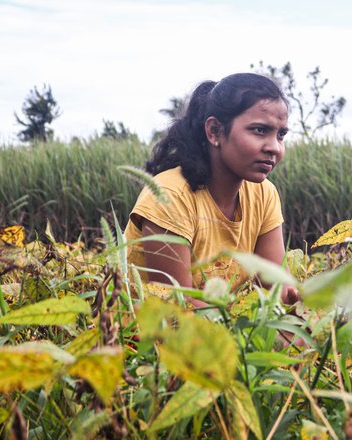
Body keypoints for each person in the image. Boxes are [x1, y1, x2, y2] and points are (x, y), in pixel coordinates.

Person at [124, 73, 299, 307]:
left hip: (218, 330)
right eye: (259, 130)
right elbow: (178, 306)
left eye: (281, 135)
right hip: (139, 333)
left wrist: (302, 305)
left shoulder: (264, 194)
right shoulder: (169, 196)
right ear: (215, 131)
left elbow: (276, 289)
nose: (274, 148)